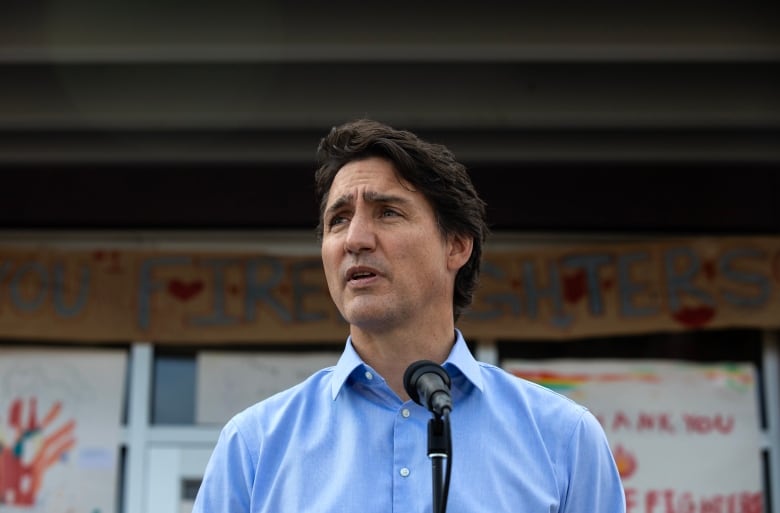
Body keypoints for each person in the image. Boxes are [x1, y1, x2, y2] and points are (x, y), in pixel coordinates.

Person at [192, 119, 626, 512]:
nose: (355, 239)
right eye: (338, 220)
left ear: (456, 245)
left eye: (388, 212)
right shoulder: (253, 446)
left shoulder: (564, 440)